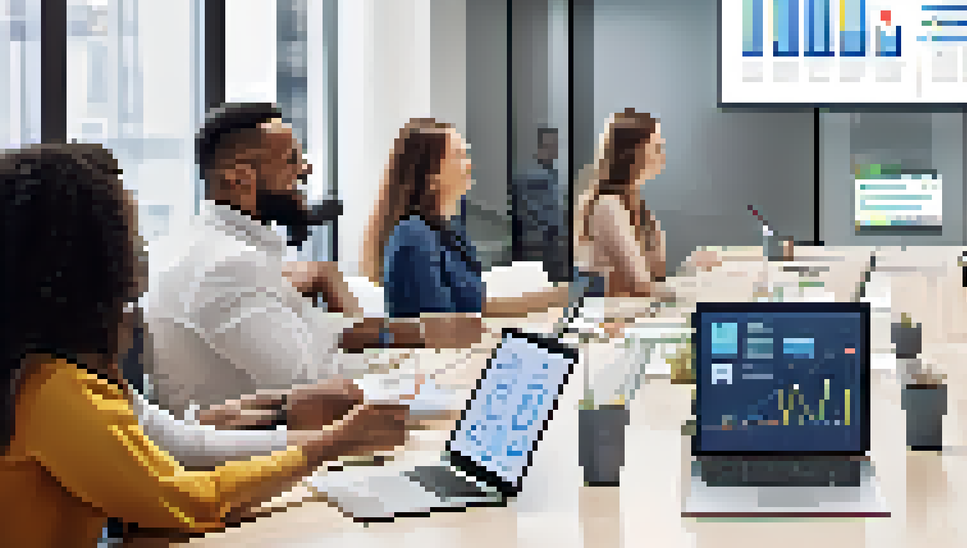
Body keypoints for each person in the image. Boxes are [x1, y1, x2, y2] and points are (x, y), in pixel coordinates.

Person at [0, 142, 408, 548]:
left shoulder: (43, 368)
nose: (140, 250)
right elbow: (186, 500)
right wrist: (331, 444)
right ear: (86, 259)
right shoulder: (52, 389)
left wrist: (324, 434)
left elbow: (171, 446)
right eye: (128, 232)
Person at [142, 103, 481, 419]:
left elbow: (319, 332)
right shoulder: (225, 264)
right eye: (291, 160)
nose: (306, 168)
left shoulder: (221, 247)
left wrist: (419, 335)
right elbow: (310, 381)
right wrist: (418, 372)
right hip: (256, 455)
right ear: (238, 177)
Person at [363, 119, 571, 320]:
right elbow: (439, 324)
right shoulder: (413, 235)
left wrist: (553, 297)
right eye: (459, 155)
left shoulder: (449, 232)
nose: (469, 164)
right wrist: (555, 297)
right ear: (431, 174)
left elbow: (477, 305)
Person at [574, 108, 719, 299]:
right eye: (657, 147)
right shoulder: (608, 205)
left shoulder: (633, 202)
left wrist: (689, 269)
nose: (663, 155)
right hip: (612, 315)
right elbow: (640, 285)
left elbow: (654, 274)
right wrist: (694, 290)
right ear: (634, 152)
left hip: (630, 308)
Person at [511, 127, 570, 281]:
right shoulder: (532, 176)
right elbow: (531, 212)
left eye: (556, 145)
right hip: (540, 242)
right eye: (550, 145)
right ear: (539, 148)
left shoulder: (551, 173)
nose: (554, 149)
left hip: (550, 241)